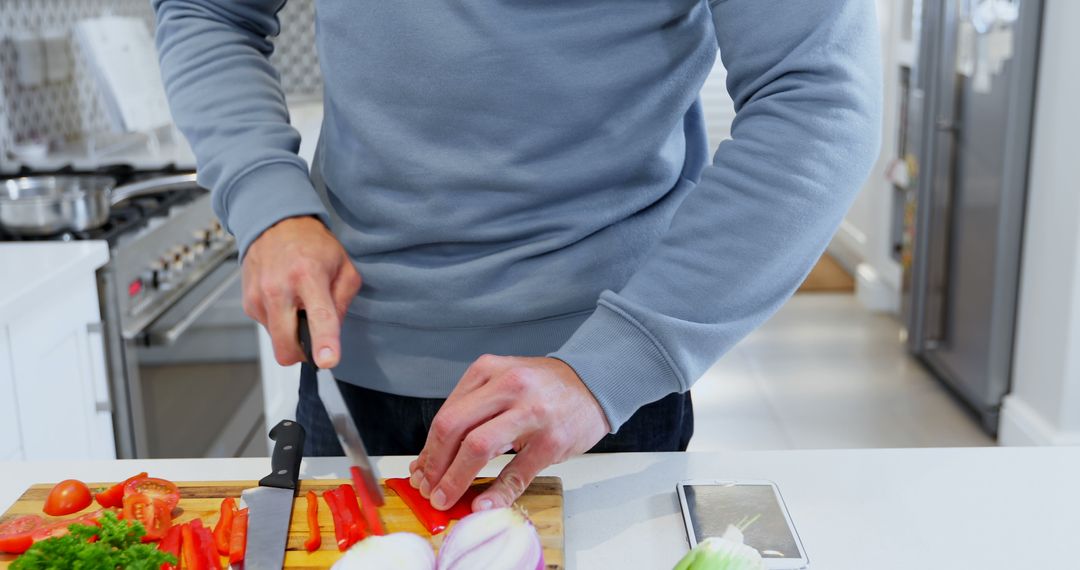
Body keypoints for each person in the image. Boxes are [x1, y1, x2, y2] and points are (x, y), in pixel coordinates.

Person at [153, 0, 881, 513]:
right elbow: (209, 10)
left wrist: (613, 364)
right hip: (350, 372)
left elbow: (818, 97)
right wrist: (269, 203)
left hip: (595, 398)